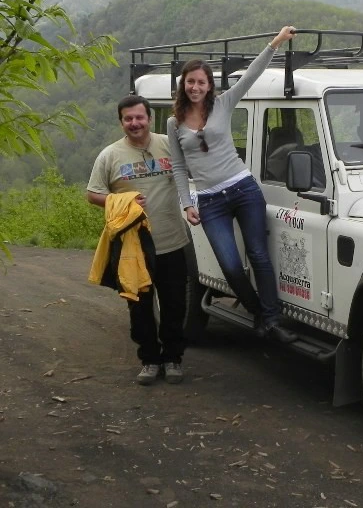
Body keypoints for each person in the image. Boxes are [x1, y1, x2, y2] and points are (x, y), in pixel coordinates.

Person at [167, 26, 298, 343]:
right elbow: (179, 166)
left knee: (258, 254)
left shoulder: (223, 104)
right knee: (230, 265)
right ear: (183, 85)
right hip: (210, 201)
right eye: (191, 82)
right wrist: (187, 202)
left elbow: (251, 75)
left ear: (209, 85)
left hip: (243, 188)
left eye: (201, 82)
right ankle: (257, 313)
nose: (196, 87)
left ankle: (272, 321)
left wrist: (275, 44)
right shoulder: (174, 123)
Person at [87, 95, 190, 385]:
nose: (134, 123)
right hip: (133, 247)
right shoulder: (110, 155)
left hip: (172, 241)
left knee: (174, 304)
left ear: (148, 118)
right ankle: (149, 360)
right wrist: (122, 200)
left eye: (139, 117)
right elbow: (92, 193)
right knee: (140, 306)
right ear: (121, 122)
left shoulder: (168, 144)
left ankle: (172, 358)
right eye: (128, 119)